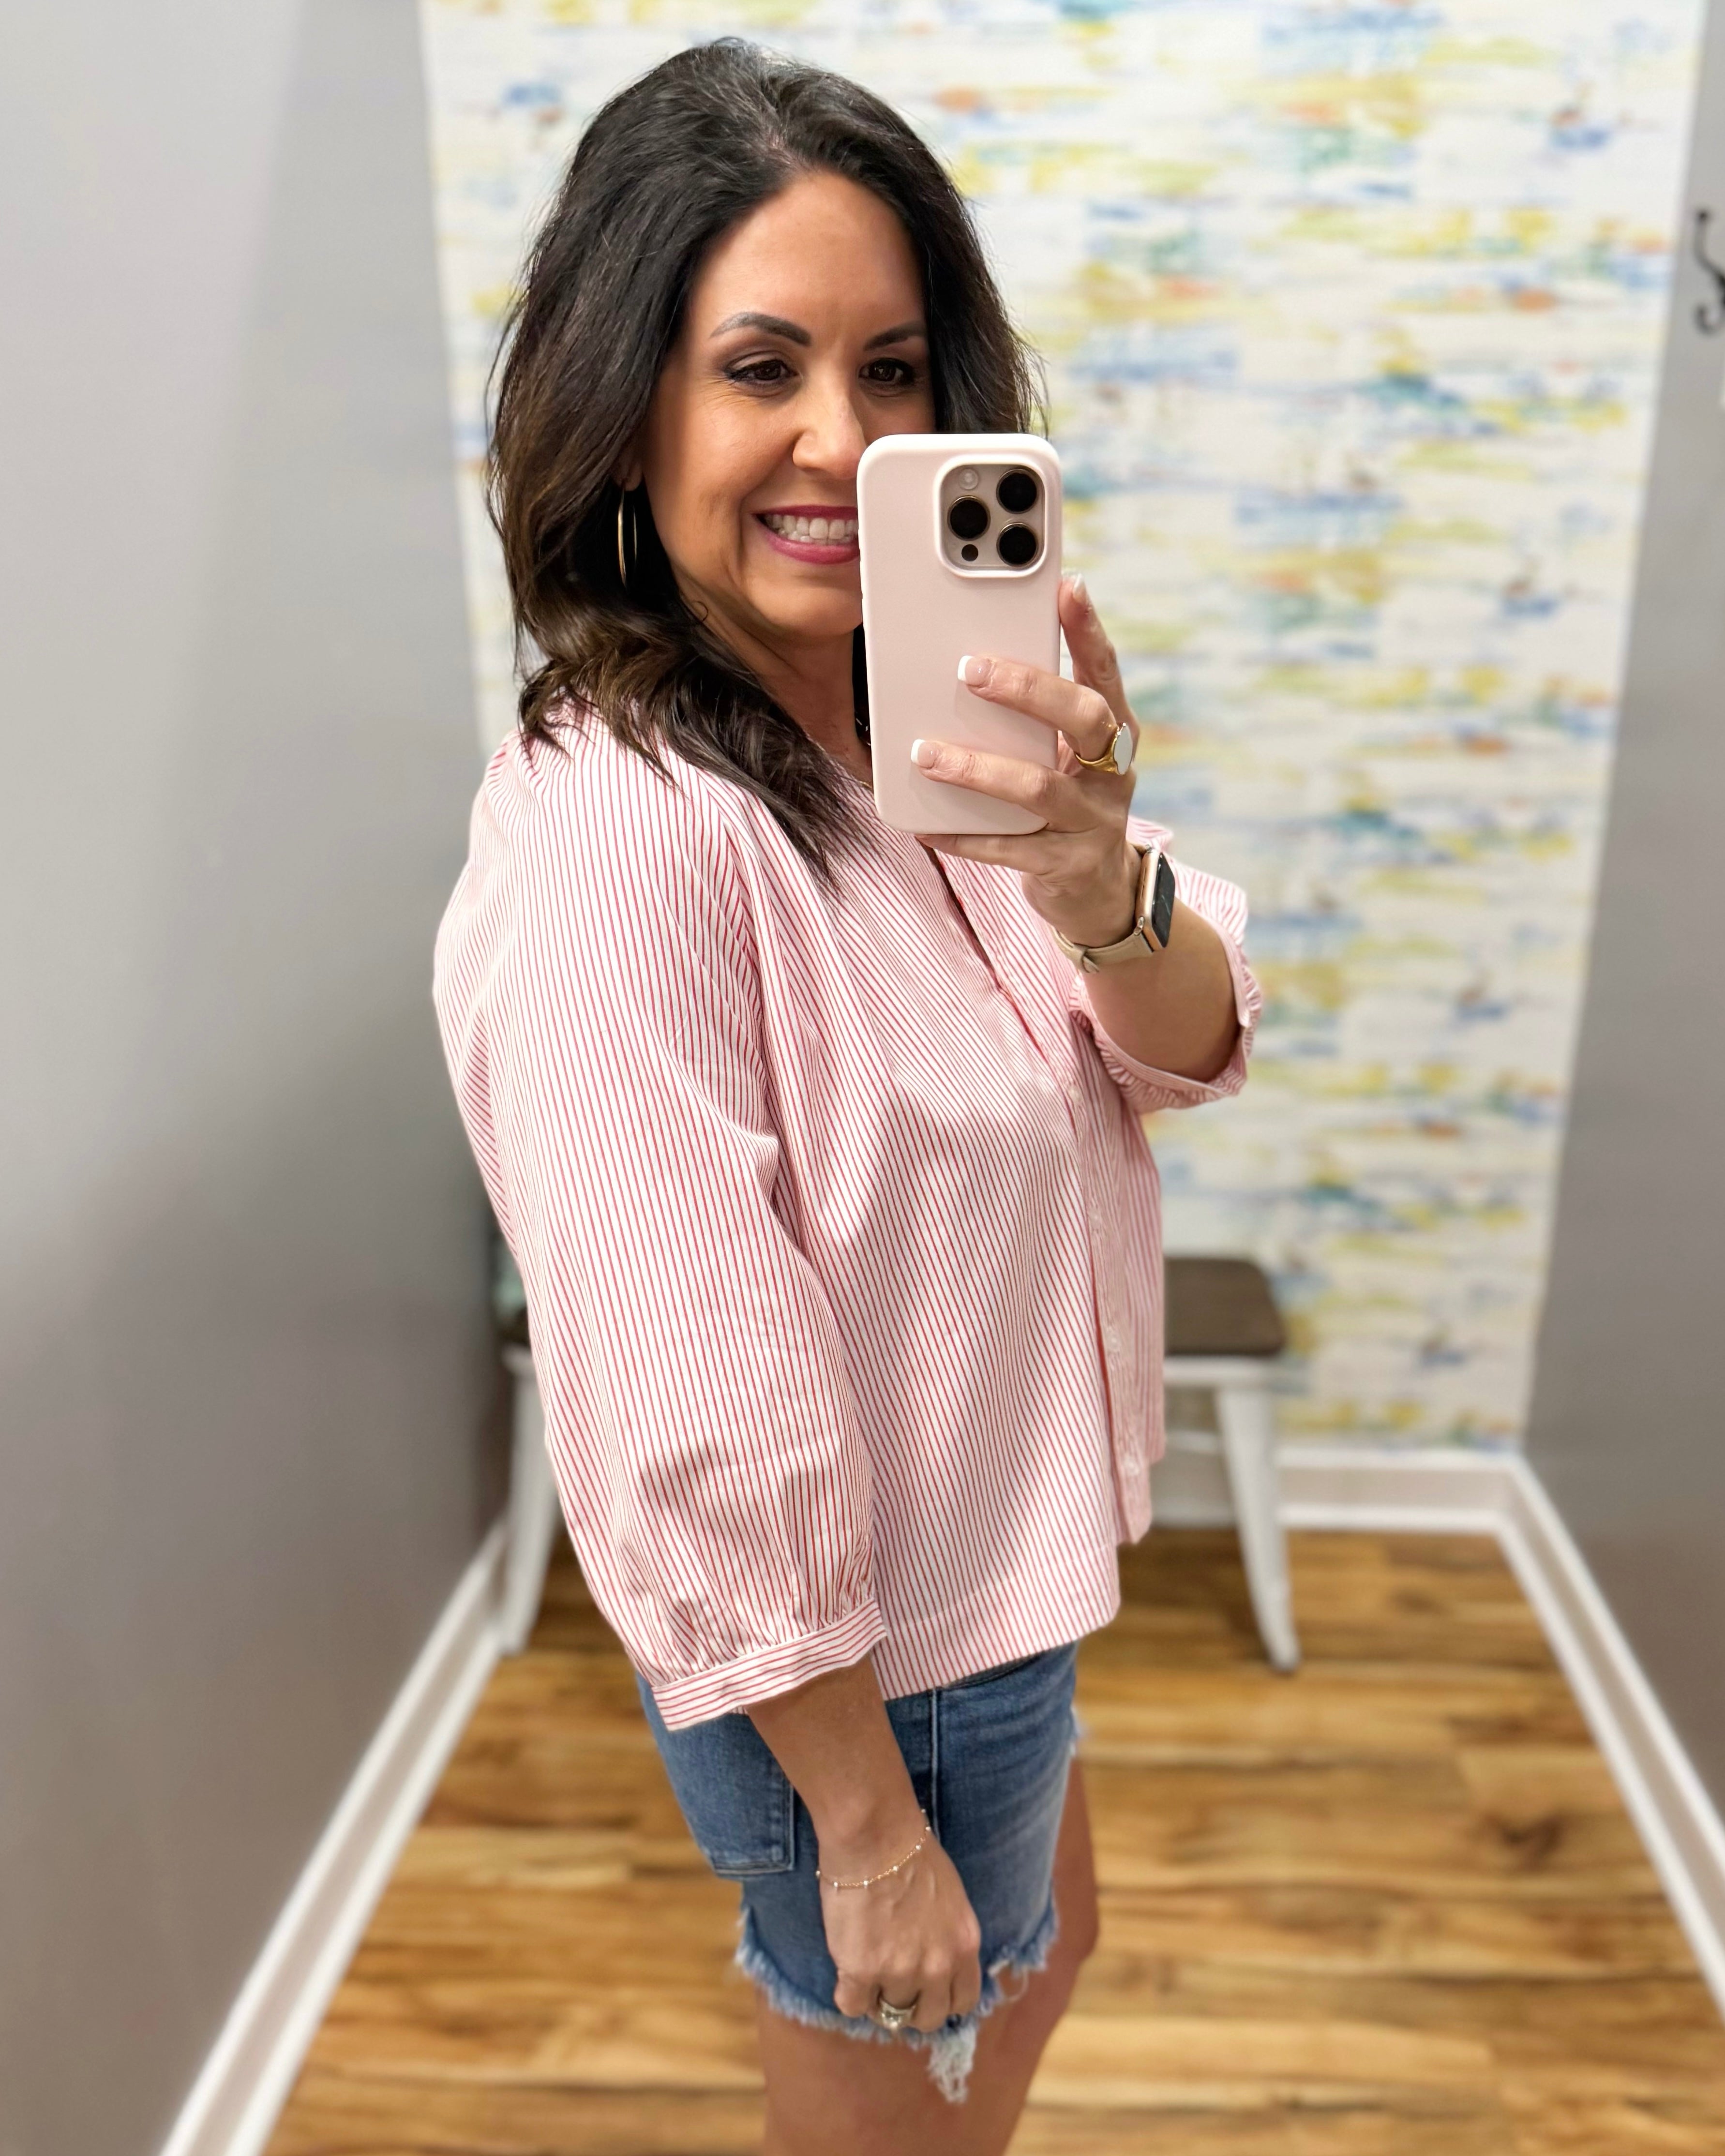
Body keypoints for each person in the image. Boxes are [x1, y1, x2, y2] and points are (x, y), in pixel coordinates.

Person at [433, 40, 1259, 2156]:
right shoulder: (625, 831)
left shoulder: (927, 730)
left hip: (993, 1570)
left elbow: (1174, 1041)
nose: (844, 437)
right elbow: (688, 1386)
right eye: (762, 366)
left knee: (1051, 1928)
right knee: (910, 2075)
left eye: (896, 369)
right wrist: (864, 1820)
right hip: (864, 1660)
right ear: (627, 408)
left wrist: (1092, 868)